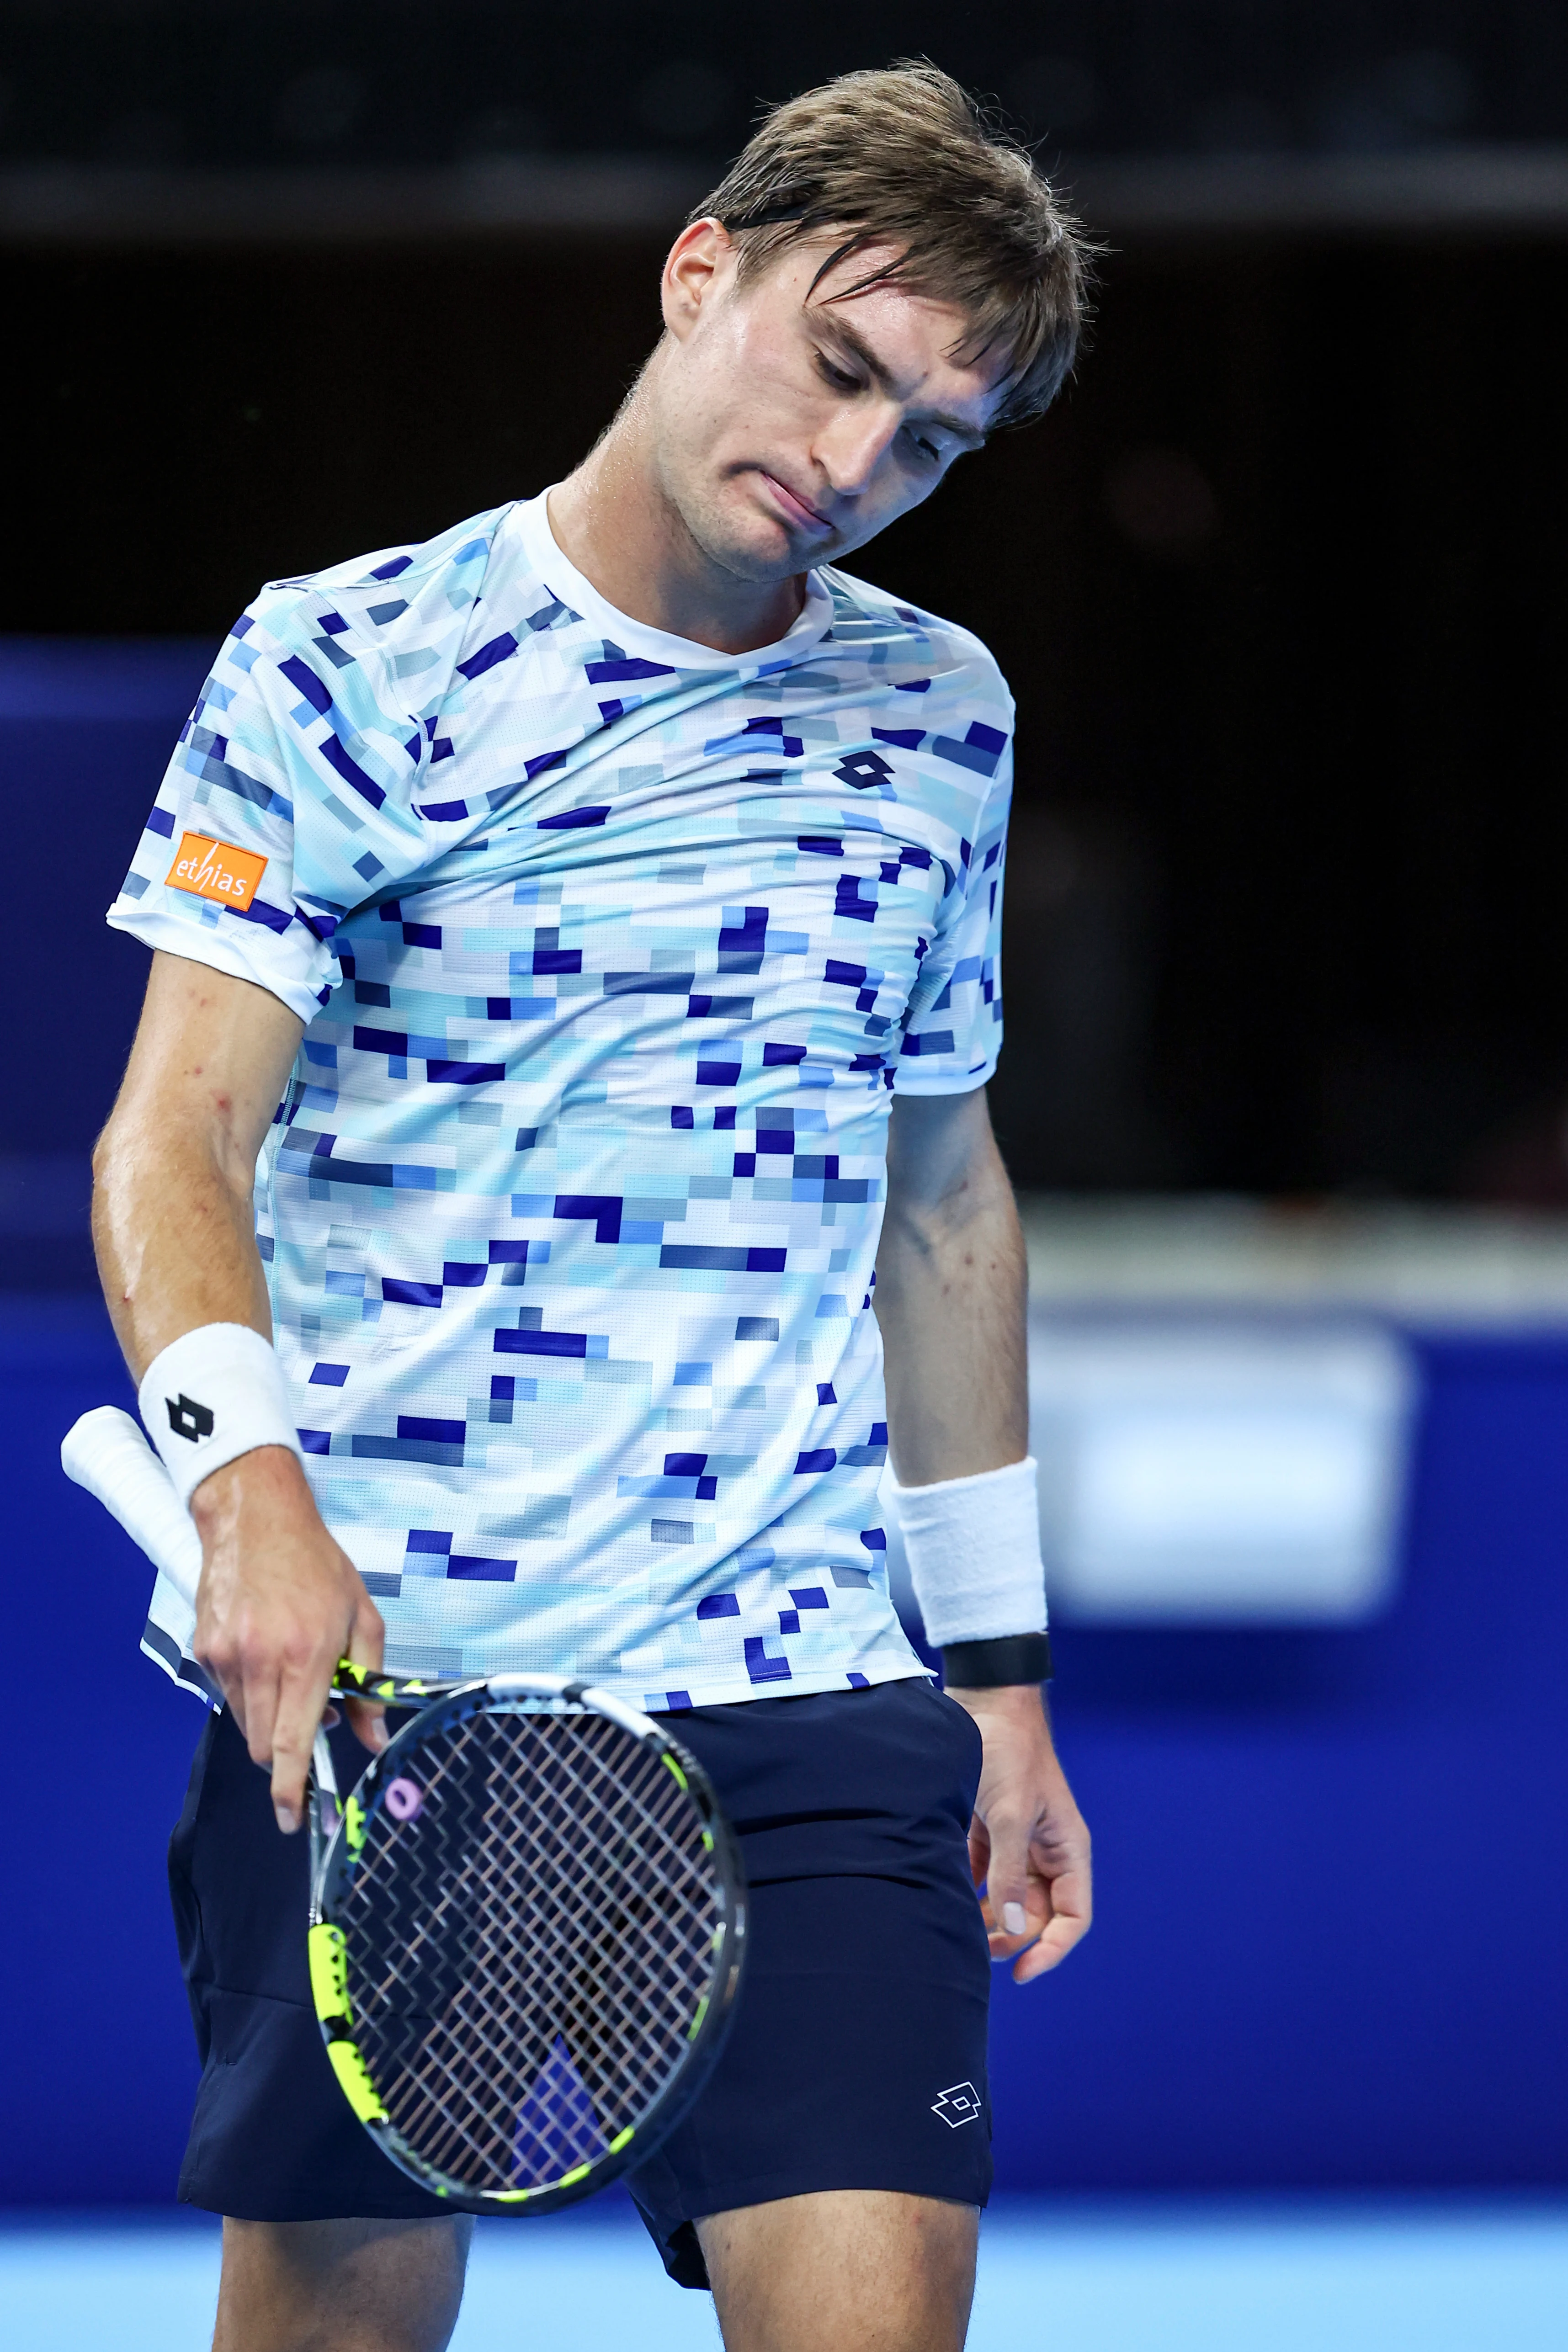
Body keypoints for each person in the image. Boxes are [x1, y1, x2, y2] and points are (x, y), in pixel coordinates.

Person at [92, 60, 1095, 2352]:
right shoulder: (342, 660)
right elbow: (172, 1137)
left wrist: (1002, 1682)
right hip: (396, 1687)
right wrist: (246, 1490)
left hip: (806, 1678)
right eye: (840, 368)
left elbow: (941, 1207)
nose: (853, 469)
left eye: (929, 438)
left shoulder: (942, 710)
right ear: (697, 269)